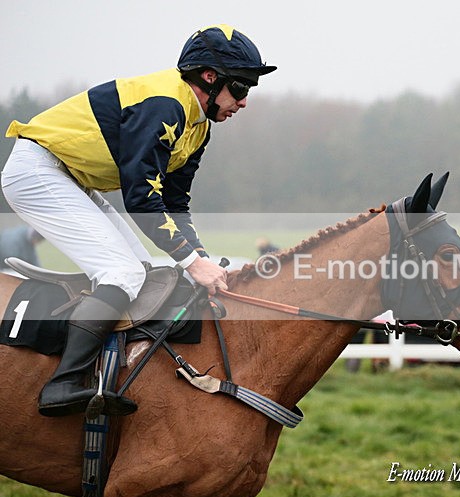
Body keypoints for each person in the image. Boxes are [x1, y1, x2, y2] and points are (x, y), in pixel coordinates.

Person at [1, 24, 276, 417]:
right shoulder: (165, 104)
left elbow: (175, 203)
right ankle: (61, 384)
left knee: (140, 274)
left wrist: (202, 259)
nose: (244, 102)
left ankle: (106, 370)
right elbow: (142, 200)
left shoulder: (197, 128)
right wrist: (192, 263)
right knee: (122, 274)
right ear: (210, 78)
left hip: (70, 177)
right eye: (241, 88)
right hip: (39, 171)